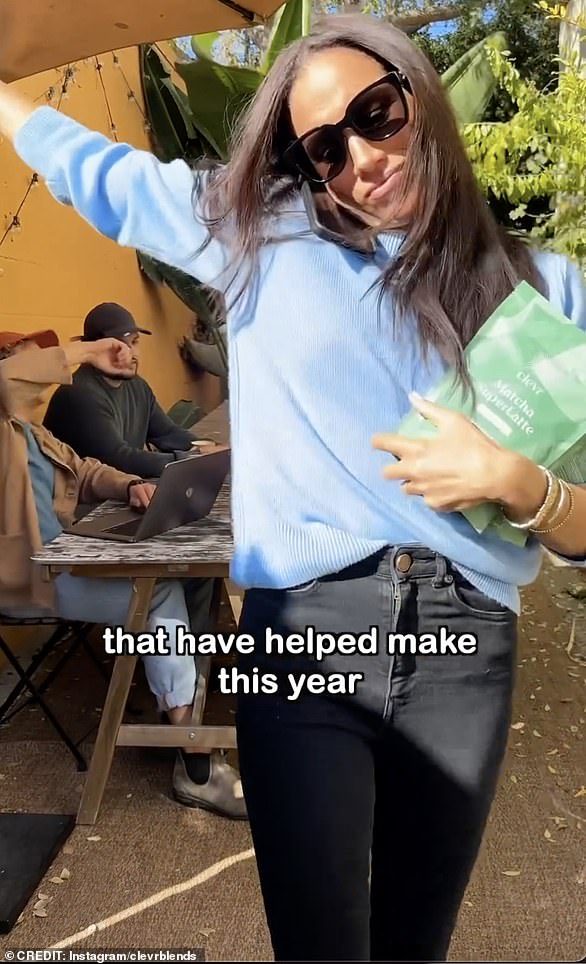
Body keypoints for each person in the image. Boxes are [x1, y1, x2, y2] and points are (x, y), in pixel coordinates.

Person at [1, 13, 585, 959]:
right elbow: (102, 176)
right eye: (325, 147)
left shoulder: (546, 291)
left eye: (377, 114)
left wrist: (526, 489)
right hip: (305, 632)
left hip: (464, 647)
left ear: (419, 100)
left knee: (414, 946)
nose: (362, 157)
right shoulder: (258, 242)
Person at [0, 330, 246, 821]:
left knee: (190, 578)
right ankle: (193, 760)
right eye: (36, 353)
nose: (49, 364)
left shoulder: (29, 431)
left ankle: (176, 707)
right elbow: (8, 379)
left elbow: (87, 469)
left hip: (69, 556)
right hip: (33, 579)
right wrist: (91, 350)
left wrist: (132, 484)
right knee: (156, 594)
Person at [43, 301, 199, 477]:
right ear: (96, 349)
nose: (130, 353)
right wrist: (189, 461)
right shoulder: (79, 394)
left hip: (120, 490)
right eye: (118, 346)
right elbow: (118, 460)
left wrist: (209, 449)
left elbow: (167, 433)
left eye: (134, 342)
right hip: (82, 501)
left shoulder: (137, 385)